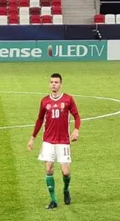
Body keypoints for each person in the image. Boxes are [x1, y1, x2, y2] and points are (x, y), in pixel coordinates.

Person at [27, 73, 81, 210]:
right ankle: (53, 200)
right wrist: (32, 138)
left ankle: (66, 189)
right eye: (51, 82)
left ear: (60, 84)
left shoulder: (68, 99)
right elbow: (40, 119)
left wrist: (76, 129)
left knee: (65, 172)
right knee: (48, 168)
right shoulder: (45, 101)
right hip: (48, 141)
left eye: (56, 82)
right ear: (49, 84)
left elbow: (76, 116)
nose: (53, 84)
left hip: (63, 141)